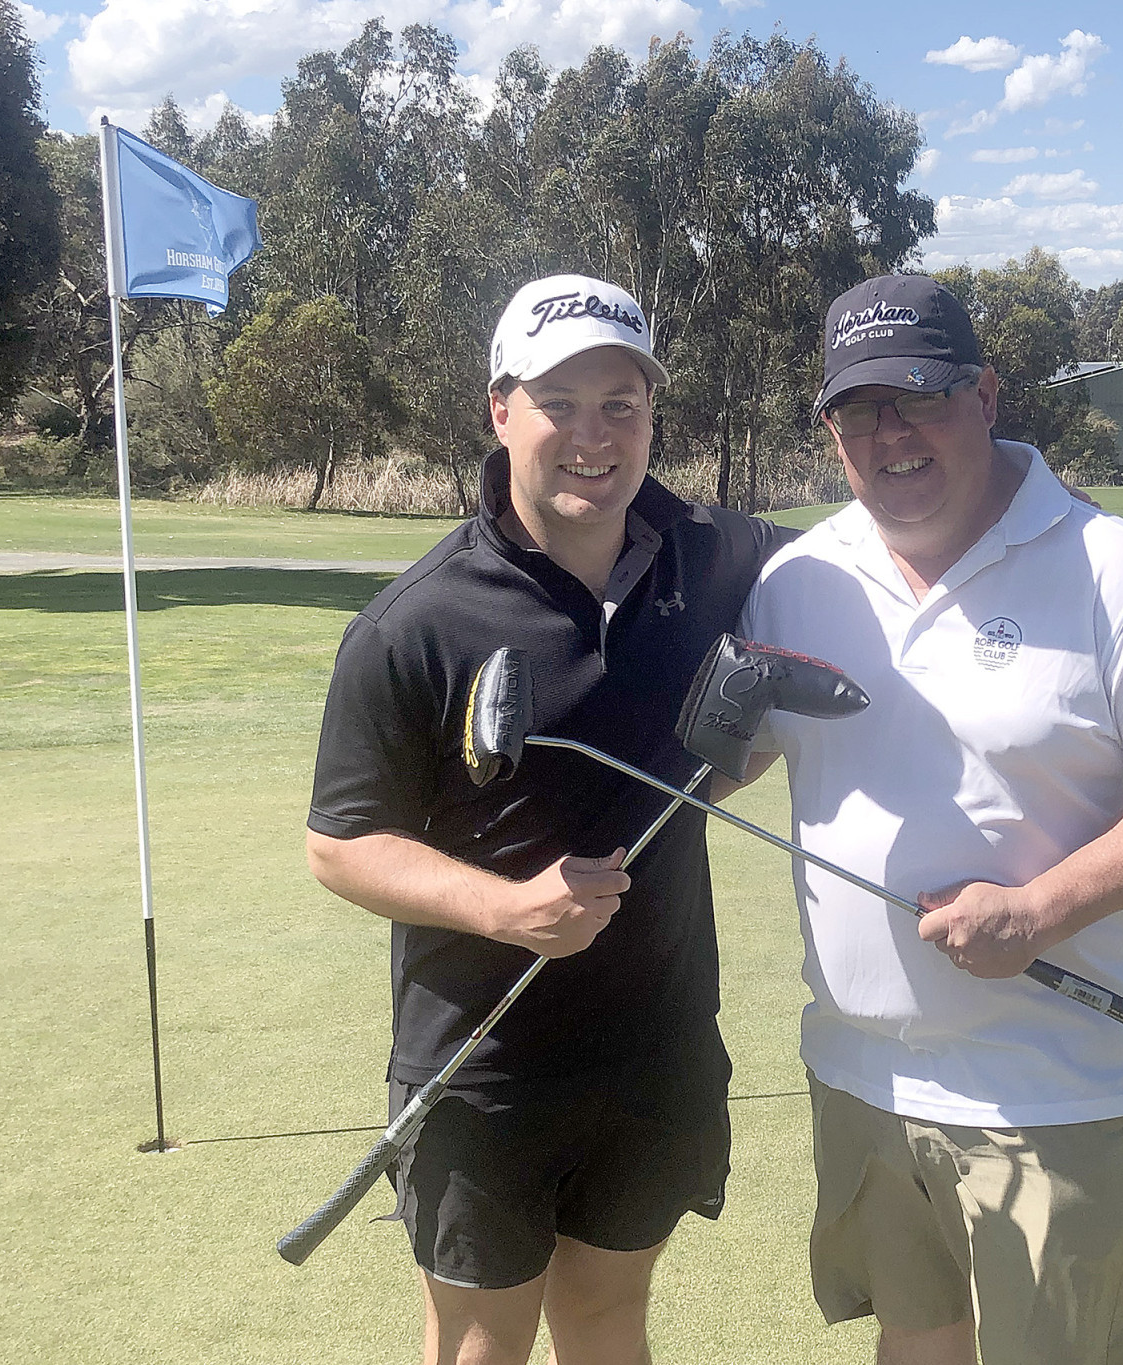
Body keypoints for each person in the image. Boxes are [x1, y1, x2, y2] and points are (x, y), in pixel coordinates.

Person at [737, 275, 1123, 1365]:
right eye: (856, 410)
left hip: (1045, 1084)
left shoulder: (1119, 574)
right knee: (915, 1341)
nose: (889, 435)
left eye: (916, 398)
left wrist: (1036, 908)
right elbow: (729, 759)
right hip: (856, 1074)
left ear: (983, 392)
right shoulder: (796, 582)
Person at [304, 274, 784, 1365]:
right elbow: (339, 844)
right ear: (500, 410)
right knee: (480, 1341)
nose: (592, 434)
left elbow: (869, 571)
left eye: (621, 403)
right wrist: (507, 908)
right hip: (485, 1061)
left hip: (655, 1045)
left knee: (611, 1322)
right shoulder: (414, 622)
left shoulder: (713, 557)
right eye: (559, 401)